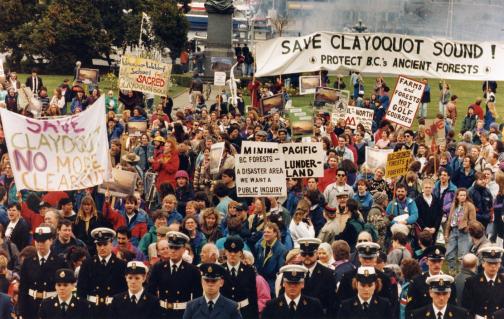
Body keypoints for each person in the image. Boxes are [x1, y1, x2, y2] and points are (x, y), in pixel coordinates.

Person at [147, 231, 202, 318]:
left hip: (183, 314)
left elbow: (197, 297)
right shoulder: (158, 267)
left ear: (184, 249)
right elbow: (150, 292)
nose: (173, 251)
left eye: (176, 248)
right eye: (171, 247)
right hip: (162, 313)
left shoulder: (192, 270)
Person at [77, 227, 127, 319]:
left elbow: (124, 291)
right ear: (96, 246)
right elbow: (81, 291)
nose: (102, 248)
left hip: (113, 310)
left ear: (111, 243)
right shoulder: (87, 264)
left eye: (105, 244)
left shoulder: (121, 265)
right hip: (92, 310)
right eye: (99, 245)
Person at [19, 225, 67, 319]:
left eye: (43, 241)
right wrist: (21, 312)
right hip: (31, 306)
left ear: (51, 241)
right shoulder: (28, 261)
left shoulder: (60, 262)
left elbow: (65, 288)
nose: (40, 244)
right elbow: (23, 288)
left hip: (52, 306)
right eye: (37, 241)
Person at [336, 242, 397, 311]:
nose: (367, 261)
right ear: (359, 258)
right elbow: (340, 301)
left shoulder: (384, 278)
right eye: (364, 258)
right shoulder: (348, 277)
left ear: (376, 259)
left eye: (370, 258)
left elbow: (388, 305)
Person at [406, 245, 457, 315]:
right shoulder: (417, 282)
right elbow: (411, 310)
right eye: (433, 261)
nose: (437, 264)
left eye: (439, 261)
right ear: (426, 261)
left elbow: (453, 307)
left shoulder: (449, 281)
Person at [462, 245, 504, 318]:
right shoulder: (471, 282)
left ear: (500, 264)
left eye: (496, 263)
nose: (493, 266)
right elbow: (466, 308)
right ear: (483, 264)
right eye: (490, 263)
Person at [296, 237, 336, 315]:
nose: (307, 256)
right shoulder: (293, 271)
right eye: (304, 254)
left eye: (310, 254)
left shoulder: (328, 274)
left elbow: (332, 303)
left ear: (317, 254)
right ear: (300, 254)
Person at [221, 236, 258, 319]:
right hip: (224, 312)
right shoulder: (220, 270)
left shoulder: (249, 270)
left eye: (236, 251)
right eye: (230, 251)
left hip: (244, 312)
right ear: (225, 252)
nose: (232, 254)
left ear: (241, 253)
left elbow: (253, 296)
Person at [444, 188, 476, 274]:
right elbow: (449, 219)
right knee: (449, 252)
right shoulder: (454, 205)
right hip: (453, 230)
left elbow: (473, 221)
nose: (463, 197)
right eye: (461, 195)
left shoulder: (470, 205)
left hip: (464, 232)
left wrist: (467, 228)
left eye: (464, 195)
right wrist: (446, 233)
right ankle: (452, 271)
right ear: (457, 196)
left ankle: (463, 273)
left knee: (463, 254)